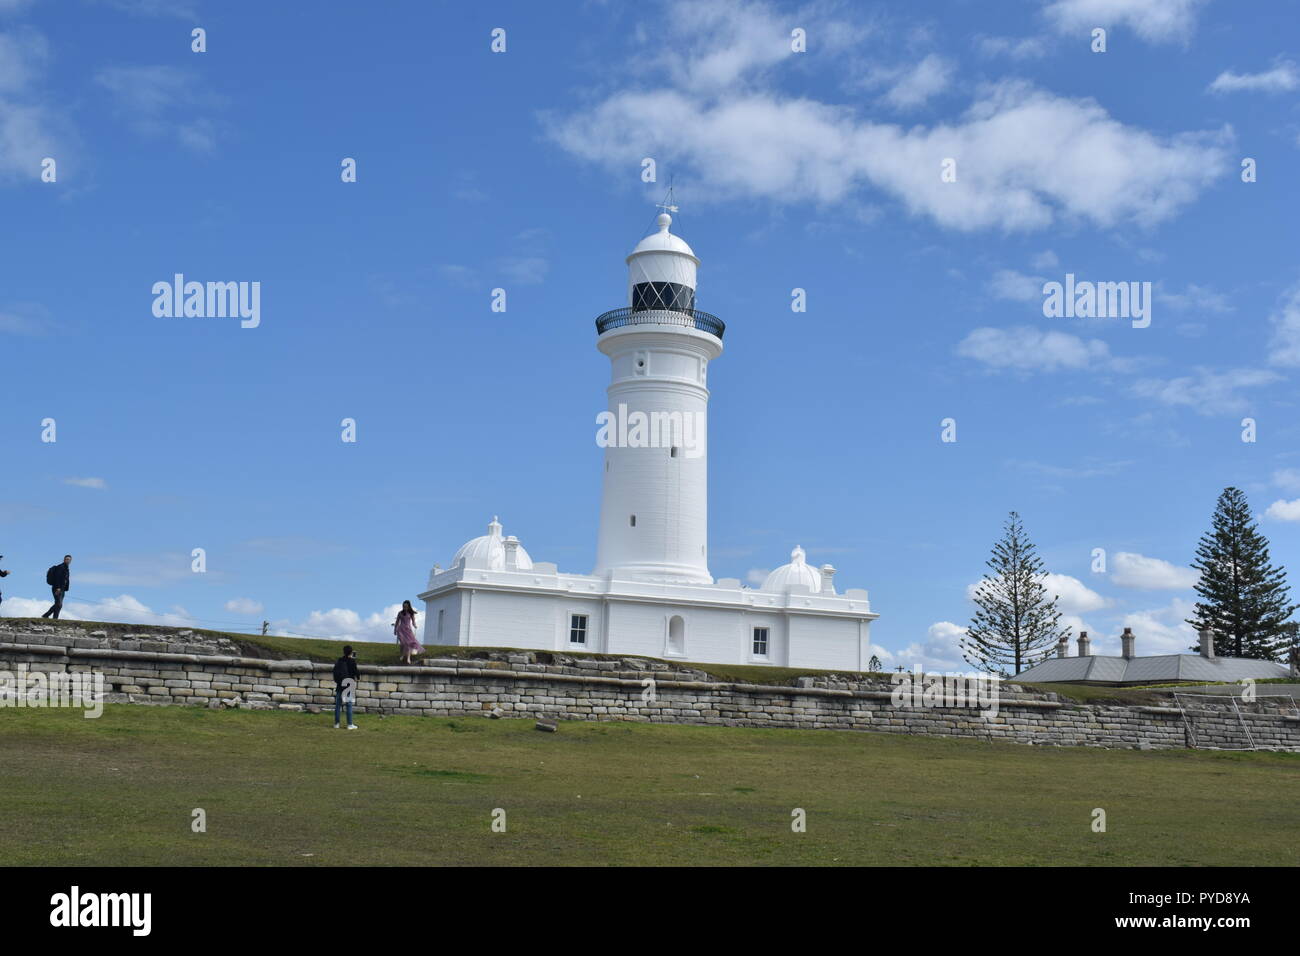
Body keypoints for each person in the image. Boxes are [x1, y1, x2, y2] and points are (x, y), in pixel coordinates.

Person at [332, 645, 359, 730]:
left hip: (340, 684)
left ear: (343, 652)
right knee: (349, 704)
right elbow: (356, 672)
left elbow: (335, 671)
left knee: (338, 705)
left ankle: (336, 724)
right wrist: (358, 677)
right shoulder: (352, 661)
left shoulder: (339, 660)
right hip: (349, 683)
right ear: (351, 652)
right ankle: (349, 724)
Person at [41, 554, 71, 619]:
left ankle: (55, 618)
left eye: (69, 559)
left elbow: (66, 579)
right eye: (66, 559)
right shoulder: (61, 567)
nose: (67, 560)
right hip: (57, 588)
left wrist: (65, 588)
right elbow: (57, 578)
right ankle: (46, 615)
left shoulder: (66, 568)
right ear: (64, 560)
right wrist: (58, 588)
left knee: (59, 605)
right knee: (58, 604)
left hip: (62, 589)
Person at [394, 599, 423, 665]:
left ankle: (408, 658)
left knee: (409, 644)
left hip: (408, 630)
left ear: (409, 606)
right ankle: (402, 655)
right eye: (404, 606)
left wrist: (415, 625)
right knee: (403, 644)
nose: (405, 608)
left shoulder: (411, 613)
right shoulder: (400, 613)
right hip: (401, 630)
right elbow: (397, 622)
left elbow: (413, 622)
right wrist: (395, 630)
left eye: (406, 606)